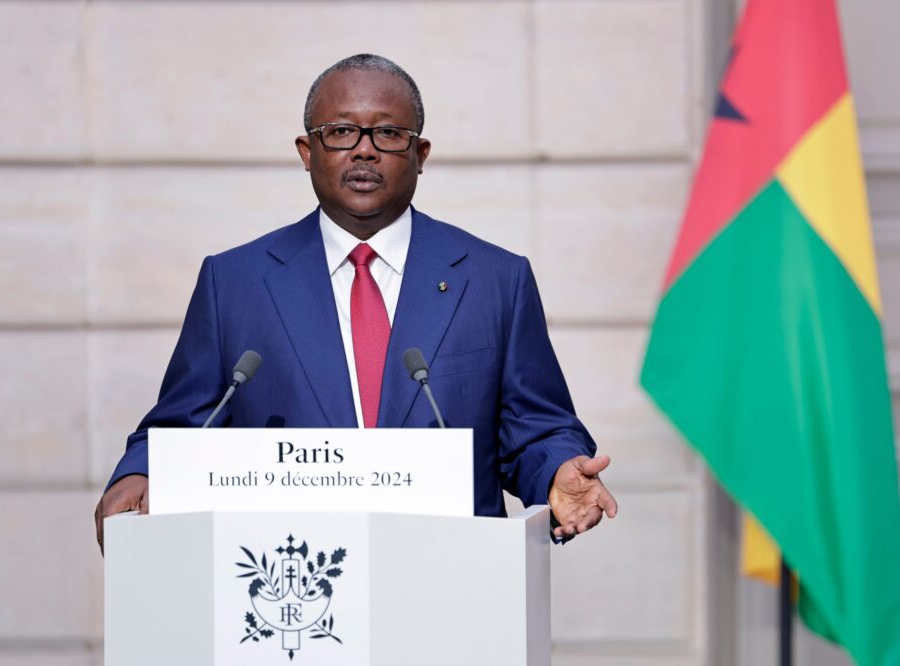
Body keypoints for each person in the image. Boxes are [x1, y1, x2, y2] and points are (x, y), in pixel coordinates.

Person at [94, 54, 617, 551]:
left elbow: (535, 426)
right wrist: (141, 472)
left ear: (420, 155)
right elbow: (184, 427)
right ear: (307, 152)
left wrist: (557, 469)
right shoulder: (233, 282)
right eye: (341, 131)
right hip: (292, 578)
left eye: (388, 133)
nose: (364, 150)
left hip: (453, 573)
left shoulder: (495, 279)